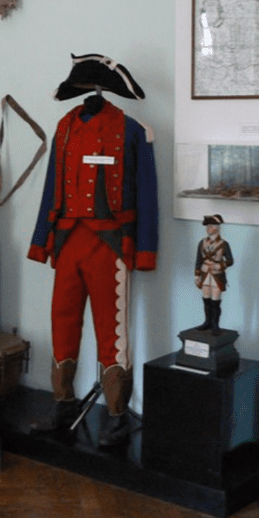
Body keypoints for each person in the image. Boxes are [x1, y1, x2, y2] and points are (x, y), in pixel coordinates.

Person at [27, 54, 158, 446]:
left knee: (112, 332)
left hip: (110, 245)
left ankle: (117, 415)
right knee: (62, 322)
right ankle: (63, 402)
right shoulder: (64, 127)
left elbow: (147, 194)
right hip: (68, 242)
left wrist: (145, 250)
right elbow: (51, 187)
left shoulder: (132, 130)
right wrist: (41, 241)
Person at [194, 214, 233, 335]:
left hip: (217, 275)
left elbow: (230, 260)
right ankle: (207, 322)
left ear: (216, 228)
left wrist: (219, 266)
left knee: (215, 301)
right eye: (208, 226)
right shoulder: (202, 243)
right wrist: (197, 275)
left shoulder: (224, 244)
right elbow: (198, 259)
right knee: (206, 299)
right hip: (205, 273)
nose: (208, 229)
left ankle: (215, 325)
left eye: (210, 226)